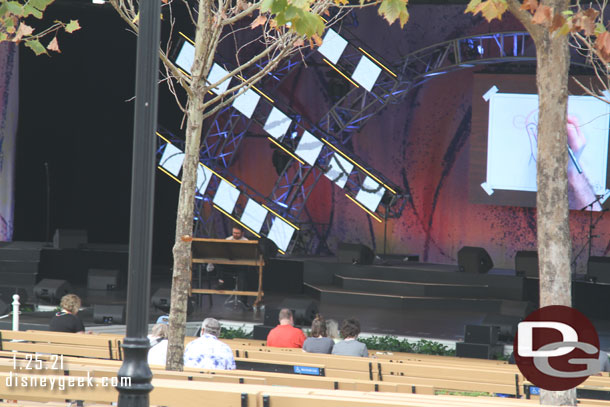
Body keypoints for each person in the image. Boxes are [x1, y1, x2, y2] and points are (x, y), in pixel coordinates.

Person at [207, 225, 252, 309]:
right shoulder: (228, 239)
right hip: (229, 264)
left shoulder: (246, 241)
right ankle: (222, 281)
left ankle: (244, 301)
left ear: (242, 233)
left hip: (241, 266)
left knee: (243, 277)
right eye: (234, 233)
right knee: (217, 261)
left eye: (237, 233)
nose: (235, 235)